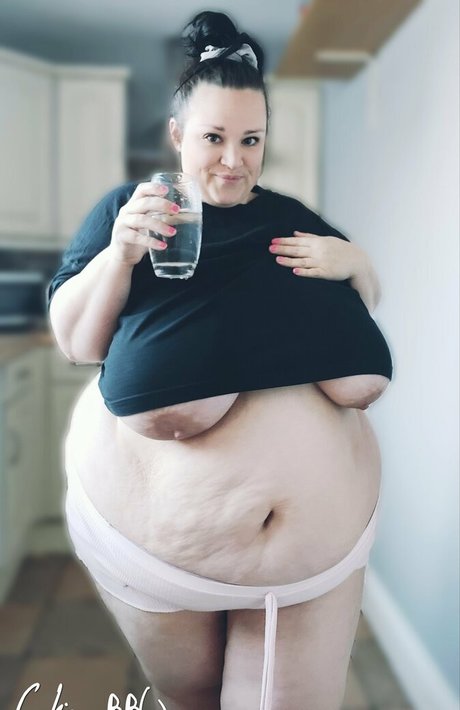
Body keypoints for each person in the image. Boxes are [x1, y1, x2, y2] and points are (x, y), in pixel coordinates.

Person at [47, 11, 393, 710]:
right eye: (214, 137)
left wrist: (357, 263)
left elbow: (359, 314)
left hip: (311, 567)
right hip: (160, 557)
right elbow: (77, 342)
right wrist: (120, 253)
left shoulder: (292, 218)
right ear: (179, 135)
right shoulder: (132, 210)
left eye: (251, 140)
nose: (233, 159)